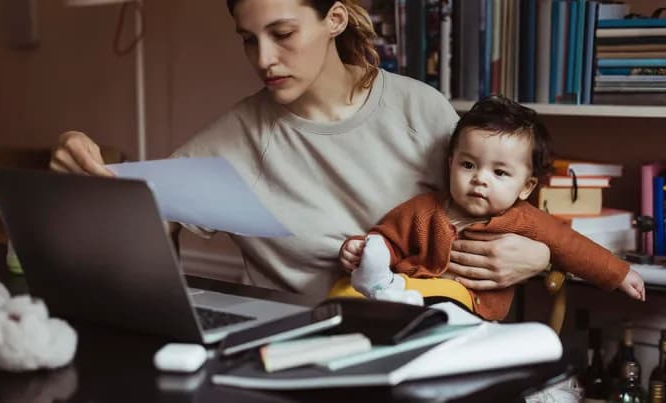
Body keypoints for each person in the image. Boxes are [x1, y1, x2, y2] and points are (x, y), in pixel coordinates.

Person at [49, 0, 551, 299]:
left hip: (427, 344)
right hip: (293, 355)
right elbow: (145, 221)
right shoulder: (237, 136)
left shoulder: (418, 109)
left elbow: (502, 210)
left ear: (334, 18)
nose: (264, 59)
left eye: (282, 34)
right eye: (249, 40)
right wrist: (85, 176)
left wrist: (542, 255)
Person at [338, 96, 645, 320]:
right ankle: (381, 291)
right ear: (451, 164)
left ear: (526, 186)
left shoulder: (525, 220)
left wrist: (619, 274)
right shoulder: (425, 210)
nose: (479, 179)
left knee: (445, 299)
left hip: (470, 309)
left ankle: (393, 301)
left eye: (499, 173)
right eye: (468, 165)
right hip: (410, 290)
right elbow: (389, 237)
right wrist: (363, 250)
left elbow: (572, 247)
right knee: (351, 288)